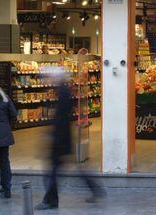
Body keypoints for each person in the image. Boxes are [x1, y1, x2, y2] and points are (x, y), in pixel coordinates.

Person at [35, 67, 104, 211]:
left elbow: (61, 118)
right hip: (64, 138)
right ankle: (95, 189)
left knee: (53, 171)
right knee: (74, 168)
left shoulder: (63, 92)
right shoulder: (64, 91)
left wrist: (53, 136)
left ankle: (50, 200)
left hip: (60, 139)